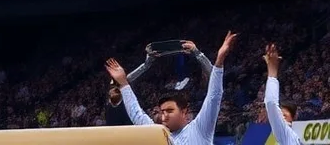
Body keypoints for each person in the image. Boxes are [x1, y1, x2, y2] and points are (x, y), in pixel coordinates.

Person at [105, 31, 237, 145]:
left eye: (169, 110)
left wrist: (219, 61)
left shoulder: (199, 129)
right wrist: (123, 83)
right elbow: (136, 114)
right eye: (162, 112)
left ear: (184, 112)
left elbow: (214, 96)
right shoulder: (158, 133)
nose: (164, 116)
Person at [263, 44, 300, 145]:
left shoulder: (288, 134)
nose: (280, 118)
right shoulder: (289, 136)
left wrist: (272, 71)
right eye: (280, 115)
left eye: (284, 115)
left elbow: (271, 103)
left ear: (293, 117)